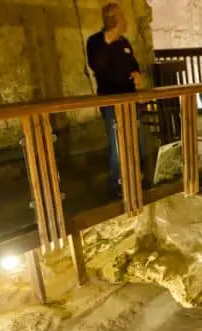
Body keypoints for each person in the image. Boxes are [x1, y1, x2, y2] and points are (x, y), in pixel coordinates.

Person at [86, 2, 143, 197]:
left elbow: (133, 63)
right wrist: (108, 39)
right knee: (118, 143)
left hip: (130, 98)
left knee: (133, 139)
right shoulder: (95, 42)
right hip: (111, 100)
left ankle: (134, 176)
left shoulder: (124, 42)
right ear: (112, 20)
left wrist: (136, 73)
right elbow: (96, 65)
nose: (125, 20)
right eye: (121, 17)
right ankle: (116, 182)